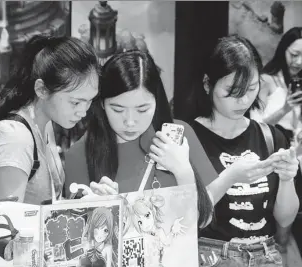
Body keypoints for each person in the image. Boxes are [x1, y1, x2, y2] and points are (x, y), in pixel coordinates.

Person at [64, 50, 214, 228]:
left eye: (142, 109)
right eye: (118, 109)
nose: (130, 122)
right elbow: (77, 236)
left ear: (157, 101)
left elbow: (203, 220)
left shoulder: (180, 136)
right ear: (102, 103)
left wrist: (183, 171)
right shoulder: (79, 155)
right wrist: (100, 212)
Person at [190, 35, 299, 267]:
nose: (244, 100)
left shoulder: (271, 137)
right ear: (208, 85)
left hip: (268, 260)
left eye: (251, 89)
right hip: (213, 263)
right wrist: (231, 176)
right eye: (232, 91)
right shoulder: (189, 137)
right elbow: (188, 217)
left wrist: (287, 178)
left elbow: (284, 219)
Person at [0, 35, 99, 204]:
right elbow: (6, 222)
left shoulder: (45, 124)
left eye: (90, 100)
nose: (83, 112)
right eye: (75, 102)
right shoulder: (14, 137)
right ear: (42, 89)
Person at [250, 27, 302, 211]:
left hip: (299, 156)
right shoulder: (266, 80)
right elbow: (254, 126)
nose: (299, 62)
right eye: (294, 54)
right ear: (283, 50)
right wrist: (285, 109)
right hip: (271, 153)